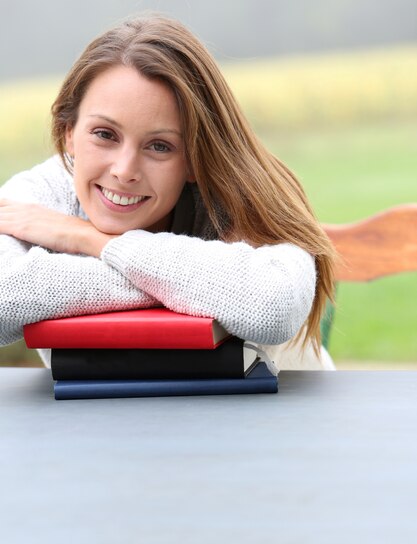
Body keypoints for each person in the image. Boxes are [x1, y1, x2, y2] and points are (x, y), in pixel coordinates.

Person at [0, 13, 335, 371]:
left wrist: (90, 239)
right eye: (104, 134)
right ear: (69, 131)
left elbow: (270, 306)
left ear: (193, 158)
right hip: (111, 419)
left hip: (274, 417)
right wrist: (205, 289)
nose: (124, 170)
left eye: (159, 146)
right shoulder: (41, 193)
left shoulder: (240, 199)